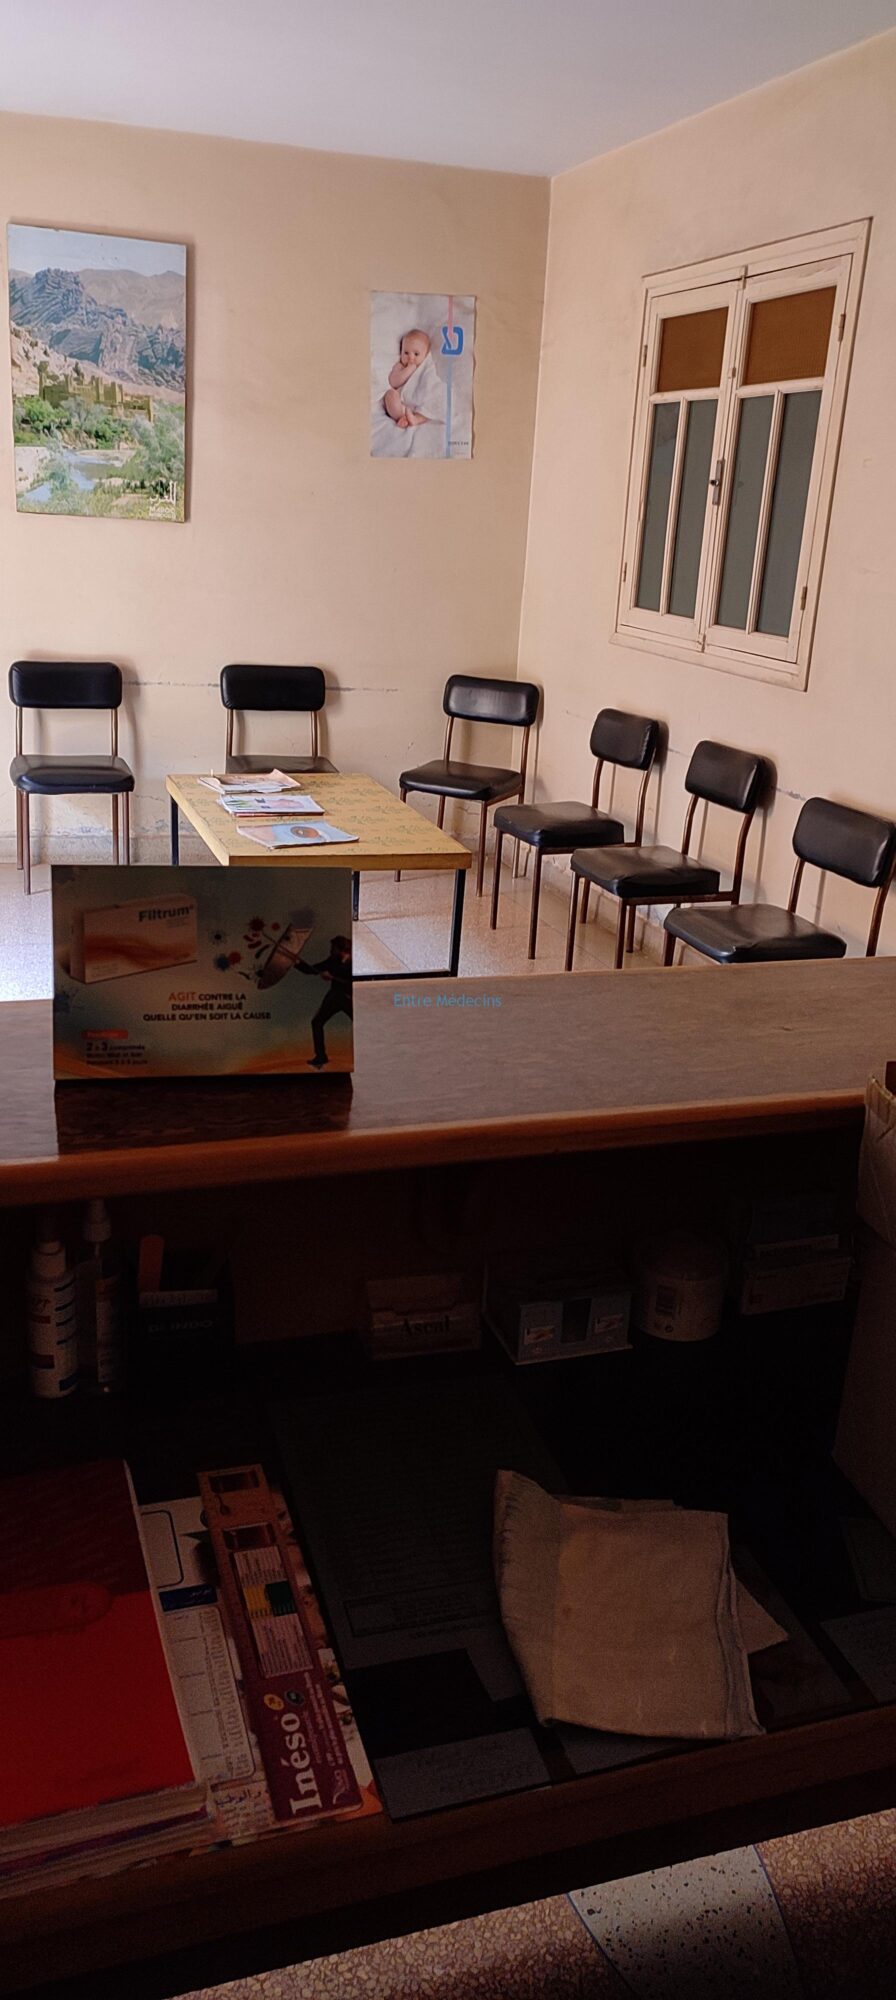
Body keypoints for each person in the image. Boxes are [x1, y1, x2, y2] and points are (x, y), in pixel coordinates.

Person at [298, 935, 352, 1069]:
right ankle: (321, 1056)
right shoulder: (332, 960)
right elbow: (312, 970)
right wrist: (296, 963)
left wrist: (332, 977)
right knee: (317, 1022)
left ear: (341, 949)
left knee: (361, 1024)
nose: (331, 951)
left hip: (349, 998)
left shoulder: (355, 961)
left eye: (333, 948)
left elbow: (352, 981)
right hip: (335, 997)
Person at [381, 328, 447, 434]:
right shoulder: (400, 366)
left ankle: (417, 419)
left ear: (425, 355)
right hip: (402, 404)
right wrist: (408, 370)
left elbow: (430, 382)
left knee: (440, 392)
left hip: (422, 402)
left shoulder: (426, 367)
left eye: (416, 354)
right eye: (406, 352)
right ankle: (401, 417)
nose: (410, 357)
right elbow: (393, 382)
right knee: (390, 395)